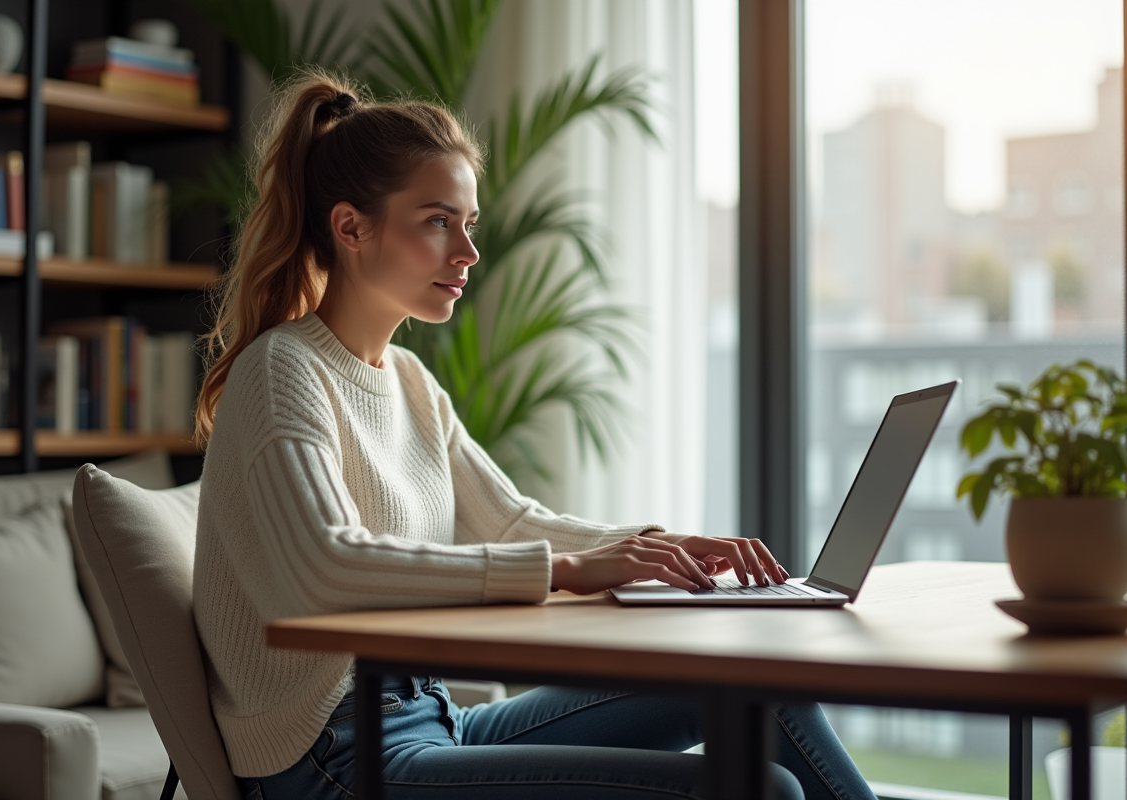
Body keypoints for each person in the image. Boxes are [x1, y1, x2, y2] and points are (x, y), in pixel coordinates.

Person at [192, 67, 876, 800]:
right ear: (352, 227)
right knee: (765, 791)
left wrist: (659, 549)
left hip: (434, 722)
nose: (467, 252)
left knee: (754, 681)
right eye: (437, 221)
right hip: (332, 759)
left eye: (467, 223)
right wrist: (560, 569)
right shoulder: (282, 370)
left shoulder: (410, 383)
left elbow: (515, 520)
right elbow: (323, 569)